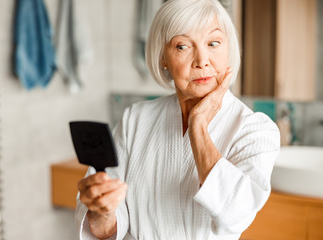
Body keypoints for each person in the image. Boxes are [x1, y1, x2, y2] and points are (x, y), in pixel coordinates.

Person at [75, 0, 280, 239]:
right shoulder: (136, 120)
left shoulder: (255, 130)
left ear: (229, 50)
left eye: (213, 43)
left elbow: (236, 213)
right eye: (183, 46)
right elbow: (105, 229)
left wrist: (198, 126)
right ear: (163, 57)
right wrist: (102, 210)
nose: (202, 60)